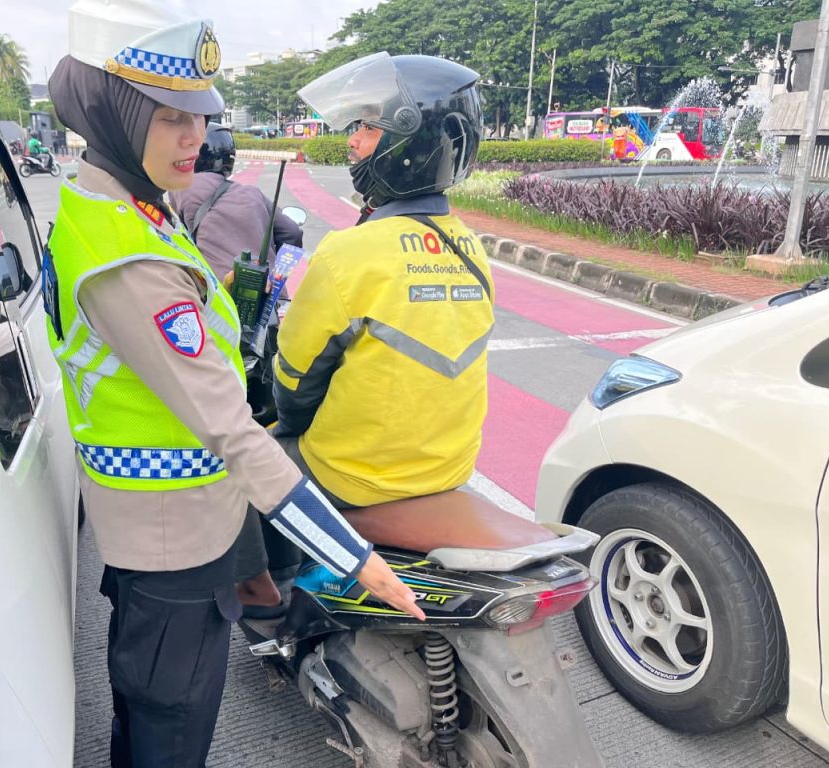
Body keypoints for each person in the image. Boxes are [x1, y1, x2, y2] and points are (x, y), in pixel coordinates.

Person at [44, 5, 422, 767]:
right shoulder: (131, 261)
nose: (196, 136)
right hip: (174, 544)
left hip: (155, 529)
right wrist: (357, 560)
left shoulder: (119, 206)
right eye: (170, 115)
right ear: (116, 111)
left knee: (148, 717)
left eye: (201, 116)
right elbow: (230, 430)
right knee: (170, 734)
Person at [236, 52, 495, 607]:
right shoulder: (473, 248)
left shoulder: (348, 253)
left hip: (359, 475)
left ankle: (264, 597)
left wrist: (287, 424)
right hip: (450, 467)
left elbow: (293, 386)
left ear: (409, 140)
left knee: (243, 463)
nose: (352, 142)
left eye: (367, 127)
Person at [169, 122, 302, 278]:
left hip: (216, 294)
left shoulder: (181, 188)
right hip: (267, 295)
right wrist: (274, 276)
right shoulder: (252, 193)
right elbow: (293, 233)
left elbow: (175, 239)